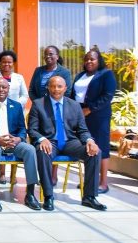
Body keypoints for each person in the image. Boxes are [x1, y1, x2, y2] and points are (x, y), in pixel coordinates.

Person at [28, 76, 107, 211]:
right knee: (42, 151)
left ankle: (89, 197)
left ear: (65, 88)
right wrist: (42, 139)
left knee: (95, 152)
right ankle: (48, 196)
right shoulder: (38, 104)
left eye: (59, 86)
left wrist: (90, 141)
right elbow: (32, 129)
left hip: (70, 142)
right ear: (48, 88)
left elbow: (82, 130)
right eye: (53, 86)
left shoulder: (74, 105)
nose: (56, 89)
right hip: (50, 142)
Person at [0, 77, 41, 212]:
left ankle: (30, 194)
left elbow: (22, 128)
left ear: (8, 89)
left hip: (13, 143)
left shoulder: (16, 106)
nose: (1, 90)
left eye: (4, 87)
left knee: (30, 149)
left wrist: (18, 139)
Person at [71, 49, 116, 194]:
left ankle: (103, 183)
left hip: (98, 115)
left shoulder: (106, 74)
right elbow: (73, 95)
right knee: (87, 147)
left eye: (92, 59)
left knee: (101, 146)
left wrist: (89, 109)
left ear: (99, 60)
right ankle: (91, 181)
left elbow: (108, 95)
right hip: (80, 114)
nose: (89, 61)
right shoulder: (80, 75)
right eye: (86, 59)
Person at [27, 45, 72, 185]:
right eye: (46, 54)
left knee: (54, 138)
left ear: (57, 56)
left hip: (57, 110)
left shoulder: (64, 72)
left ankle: (53, 175)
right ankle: (44, 174)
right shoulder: (38, 70)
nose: (48, 56)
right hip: (40, 111)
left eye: (51, 54)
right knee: (41, 140)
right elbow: (31, 90)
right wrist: (39, 104)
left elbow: (67, 91)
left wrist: (52, 103)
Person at [0, 50, 28, 184]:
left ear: (13, 63)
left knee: (13, 141)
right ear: (0, 63)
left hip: (15, 114)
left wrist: (14, 106)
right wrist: (1, 103)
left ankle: (13, 174)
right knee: (1, 139)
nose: (6, 64)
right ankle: (2, 173)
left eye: (9, 62)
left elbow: (25, 95)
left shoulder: (19, 77)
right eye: (4, 62)